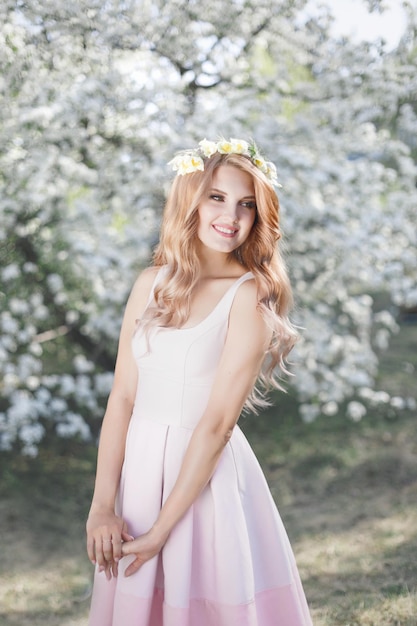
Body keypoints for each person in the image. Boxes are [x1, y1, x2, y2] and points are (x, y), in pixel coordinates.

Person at [86, 137, 313, 626]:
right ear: (190, 198)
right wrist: (103, 505)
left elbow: (217, 425)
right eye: (217, 197)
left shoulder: (249, 296)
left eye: (246, 205)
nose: (231, 216)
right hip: (141, 476)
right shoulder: (151, 283)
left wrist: (163, 528)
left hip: (204, 481)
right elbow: (123, 397)